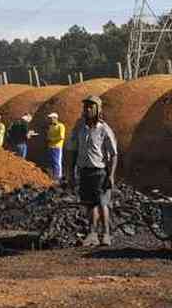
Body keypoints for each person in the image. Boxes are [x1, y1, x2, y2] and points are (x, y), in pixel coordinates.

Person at [66, 95, 118, 247]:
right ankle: (92, 234)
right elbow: (72, 149)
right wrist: (70, 173)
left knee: (103, 204)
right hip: (84, 171)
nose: (87, 109)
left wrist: (112, 175)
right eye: (86, 106)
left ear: (97, 109)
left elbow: (114, 154)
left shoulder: (104, 129)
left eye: (91, 106)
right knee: (90, 204)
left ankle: (106, 234)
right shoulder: (79, 127)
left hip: (100, 172)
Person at [46, 112, 66, 181]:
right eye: (50, 118)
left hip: (57, 147)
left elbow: (61, 137)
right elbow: (48, 135)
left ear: (55, 118)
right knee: (51, 162)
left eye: (51, 118)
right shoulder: (50, 126)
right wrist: (48, 139)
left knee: (57, 162)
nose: (50, 119)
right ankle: (51, 177)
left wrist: (52, 139)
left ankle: (58, 177)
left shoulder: (61, 126)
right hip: (50, 146)